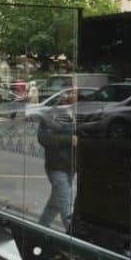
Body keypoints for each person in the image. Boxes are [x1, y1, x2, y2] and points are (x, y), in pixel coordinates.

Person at [37, 89, 77, 231]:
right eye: (71, 92)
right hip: (56, 167)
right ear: (63, 95)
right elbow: (43, 138)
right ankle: (74, 241)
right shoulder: (51, 114)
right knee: (66, 208)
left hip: (70, 167)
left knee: (54, 205)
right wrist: (68, 140)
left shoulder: (77, 113)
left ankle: (40, 230)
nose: (75, 95)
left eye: (76, 92)